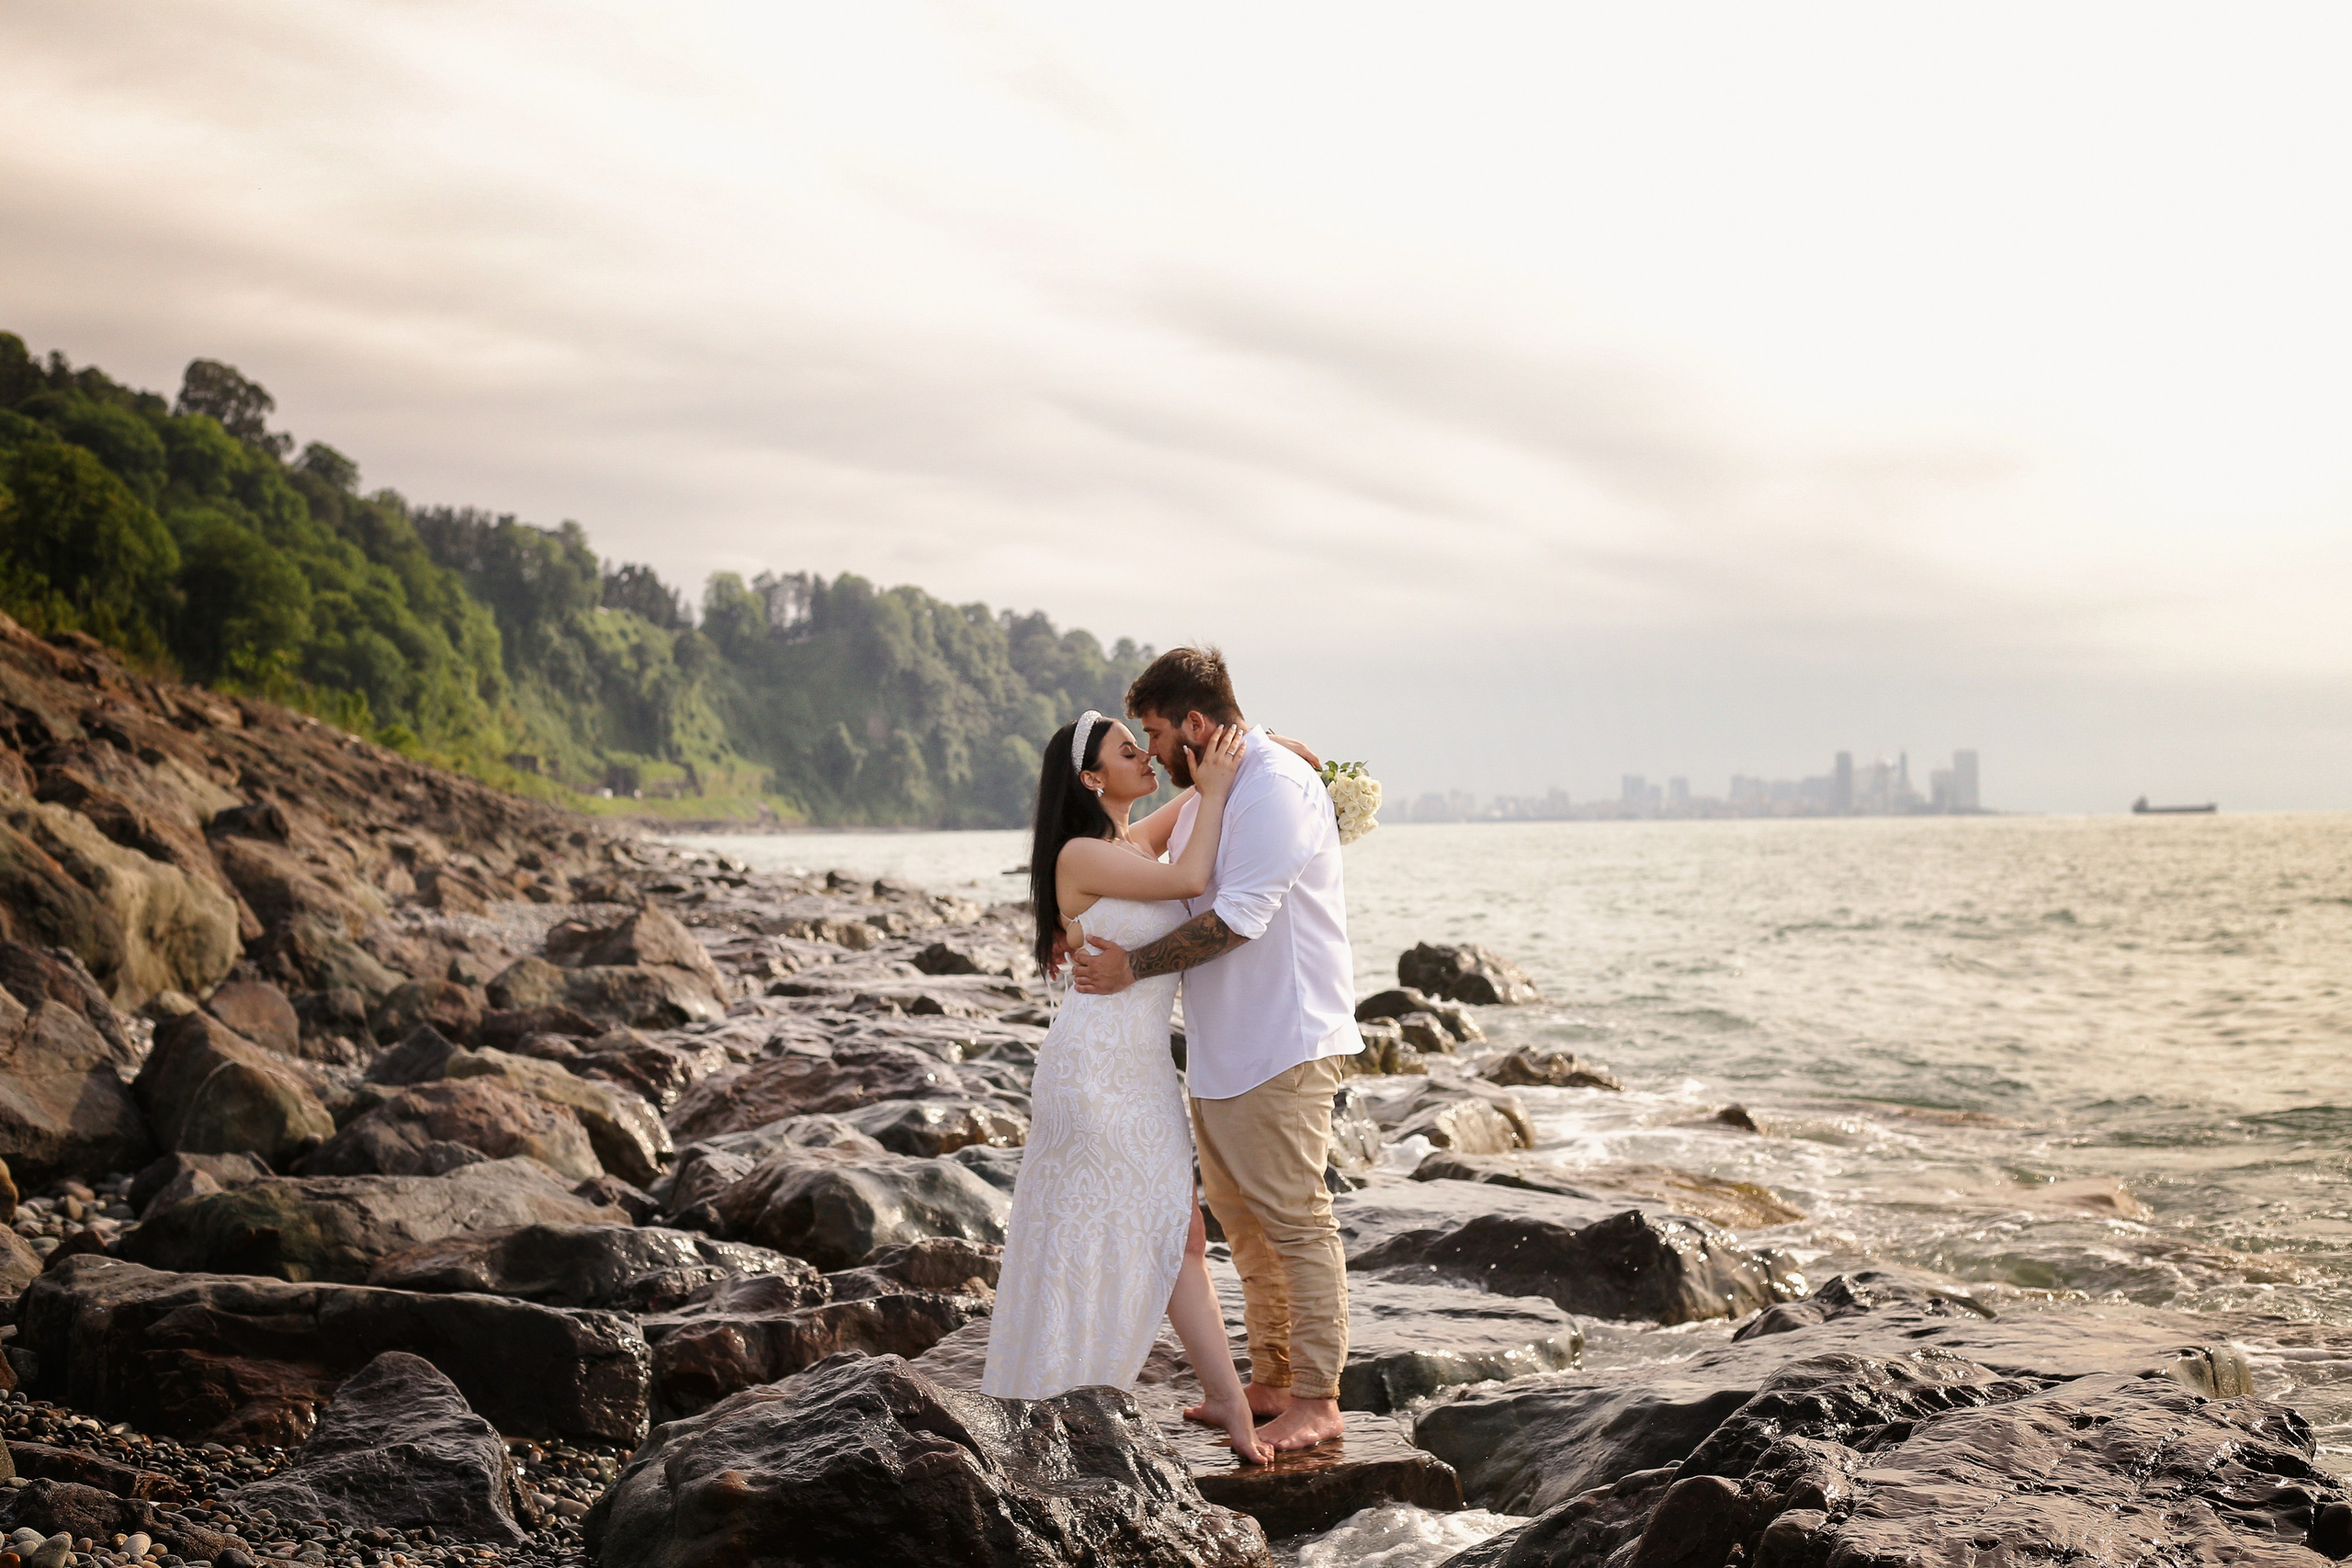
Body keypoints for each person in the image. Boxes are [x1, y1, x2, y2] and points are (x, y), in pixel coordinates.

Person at [1070, 647, 1363, 1453]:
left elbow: (1238, 917)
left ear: (1195, 723)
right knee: (1245, 1220)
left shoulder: (1273, 787)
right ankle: (1269, 1378)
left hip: (1283, 1037)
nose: (1153, 749)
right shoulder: (1212, 792)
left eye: (1157, 731)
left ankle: (1319, 1396)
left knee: (1297, 1218)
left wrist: (1130, 965)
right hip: (1225, 1045)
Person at [980, 708, 1272, 1465]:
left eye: (1144, 745)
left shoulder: (1121, 846)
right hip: (1095, 1073)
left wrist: (1264, 753)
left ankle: (1220, 1406)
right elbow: (1191, 876)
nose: (1146, 756)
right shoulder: (1082, 853)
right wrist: (1212, 790)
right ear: (1090, 777)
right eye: (1127, 749)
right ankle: (1071, 1408)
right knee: (1151, 1237)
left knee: (1179, 1235)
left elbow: (1180, 812)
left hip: (1138, 1071)